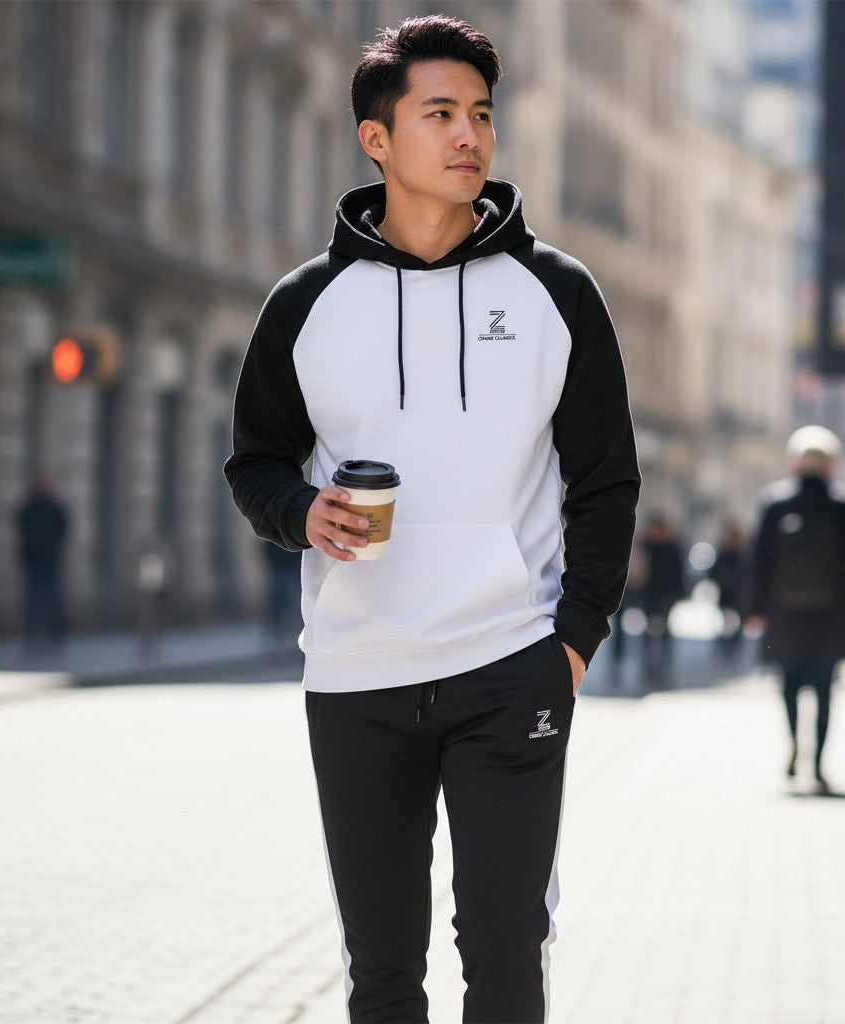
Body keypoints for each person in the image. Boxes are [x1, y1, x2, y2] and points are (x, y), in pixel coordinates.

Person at [224, 15, 640, 1022]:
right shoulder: (306, 302)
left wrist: (570, 644)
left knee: (504, 944)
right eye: (440, 113)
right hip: (357, 675)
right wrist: (302, 513)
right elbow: (256, 464)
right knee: (380, 971)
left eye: (481, 114)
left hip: (509, 666)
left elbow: (606, 481)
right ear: (378, 138)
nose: (469, 135)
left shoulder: (556, 293)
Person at [746, 426, 845, 791]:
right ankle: (817, 764)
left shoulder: (775, 502)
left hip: (783, 613)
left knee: (787, 685)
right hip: (832, 615)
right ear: (831, 464)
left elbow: (757, 560)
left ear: (794, 462)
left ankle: (793, 745)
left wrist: (755, 609)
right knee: (823, 690)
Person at [14, 474, 70, 650]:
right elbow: (21, 533)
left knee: (54, 600)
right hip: (33, 561)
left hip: (50, 560)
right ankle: (31, 637)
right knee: (31, 601)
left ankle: (56, 636)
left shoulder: (55, 508)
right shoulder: (28, 508)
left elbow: (63, 531)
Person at [640, 512, 685, 685]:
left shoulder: (672, 548)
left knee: (665, 634)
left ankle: (664, 668)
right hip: (649, 597)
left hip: (667, 597)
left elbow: (678, 574)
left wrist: (678, 595)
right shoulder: (646, 547)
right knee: (648, 636)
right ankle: (649, 669)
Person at [709, 520, 746, 662]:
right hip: (725, 593)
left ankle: (733, 648)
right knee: (724, 622)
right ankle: (724, 646)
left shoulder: (743, 554)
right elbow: (713, 573)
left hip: (738, 594)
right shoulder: (724, 553)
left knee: (737, 624)